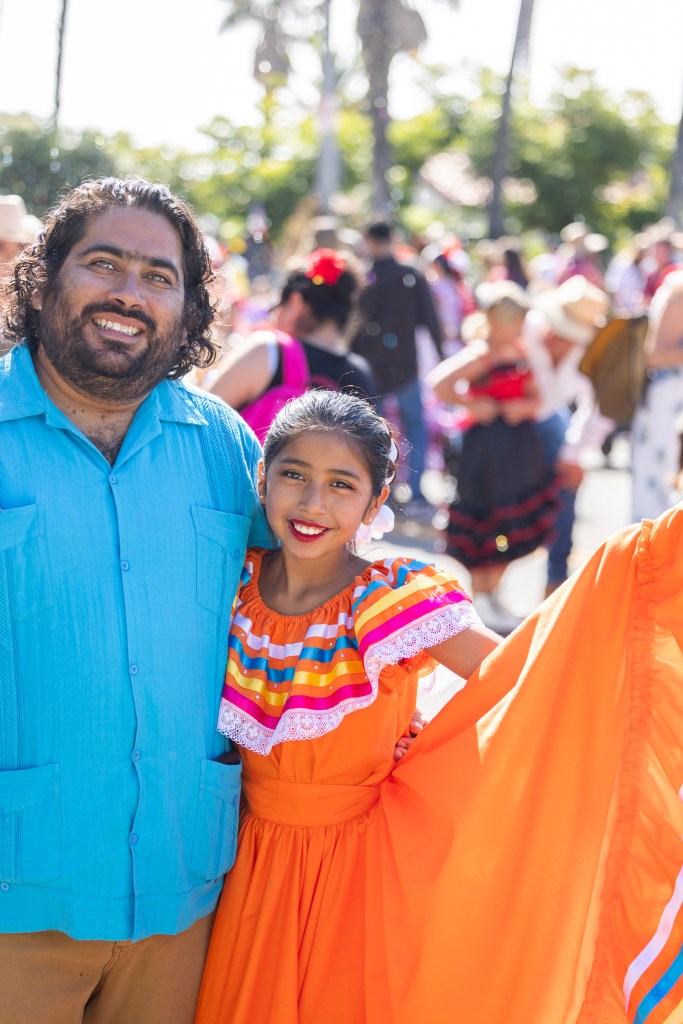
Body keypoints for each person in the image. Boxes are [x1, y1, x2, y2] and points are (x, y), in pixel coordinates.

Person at [0, 176, 274, 1024]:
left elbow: (307, 600)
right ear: (42, 280)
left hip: (181, 893)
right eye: (103, 263)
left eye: (159, 276)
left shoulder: (225, 445)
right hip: (16, 898)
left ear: (189, 312)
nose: (129, 292)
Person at [194, 389, 501, 1024]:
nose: (313, 503)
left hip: (360, 868)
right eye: (294, 475)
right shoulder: (232, 580)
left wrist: (433, 752)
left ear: (375, 501)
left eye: (341, 485)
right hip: (242, 863)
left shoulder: (388, 599)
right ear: (263, 476)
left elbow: (517, 675)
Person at [426, 281, 558, 633]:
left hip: (516, 450)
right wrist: (472, 404)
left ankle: (493, 593)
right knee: (486, 517)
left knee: (508, 521)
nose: (519, 329)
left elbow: (537, 396)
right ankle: (481, 597)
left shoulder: (519, 352)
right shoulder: (481, 354)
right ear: (496, 323)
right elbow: (439, 382)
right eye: (514, 323)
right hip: (485, 451)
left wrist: (523, 406)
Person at [207, 248, 375, 438]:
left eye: (278, 306)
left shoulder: (267, 350)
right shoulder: (362, 375)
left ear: (295, 303)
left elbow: (202, 416)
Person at [351, 220, 446, 518]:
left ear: (369, 240)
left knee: (373, 432)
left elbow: (354, 323)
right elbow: (430, 319)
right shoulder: (409, 274)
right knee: (415, 429)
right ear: (392, 238)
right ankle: (416, 491)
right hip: (404, 365)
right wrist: (442, 352)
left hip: (371, 367)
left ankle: (379, 491)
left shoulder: (366, 276)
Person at [526, 275, 613, 595]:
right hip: (510, 422)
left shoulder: (591, 354)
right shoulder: (527, 328)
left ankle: (556, 578)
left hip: (550, 421)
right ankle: (488, 586)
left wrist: (573, 454)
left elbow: (600, 406)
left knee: (567, 486)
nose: (557, 338)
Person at [631, 269, 683, 521]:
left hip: (672, 406)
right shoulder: (679, 293)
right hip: (668, 408)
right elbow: (654, 356)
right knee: (661, 491)